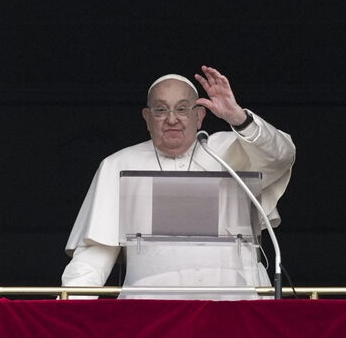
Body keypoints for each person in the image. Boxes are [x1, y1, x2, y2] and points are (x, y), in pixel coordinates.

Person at [62, 65, 296, 288]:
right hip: (152, 306)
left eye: (183, 109)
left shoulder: (231, 149)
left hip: (233, 299)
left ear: (200, 116)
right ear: (146, 117)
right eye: (161, 110)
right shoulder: (118, 165)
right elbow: (95, 253)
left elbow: (281, 156)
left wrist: (238, 118)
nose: (172, 119)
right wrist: (71, 310)